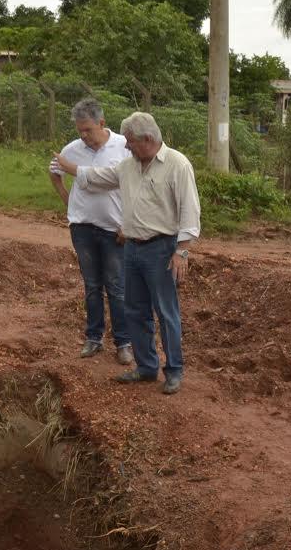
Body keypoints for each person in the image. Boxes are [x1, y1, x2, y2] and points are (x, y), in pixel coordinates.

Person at [54, 111, 201, 395]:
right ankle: (147, 367)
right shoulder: (128, 166)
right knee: (135, 309)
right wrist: (70, 168)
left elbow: (190, 211)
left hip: (162, 249)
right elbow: (98, 177)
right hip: (131, 248)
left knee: (166, 312)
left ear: (147, 139)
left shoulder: (177, 165)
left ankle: (174, 371)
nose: (126, 146)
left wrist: (182, 251)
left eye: (130, 141)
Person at [49, 99, 134, 365]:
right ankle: (94, 338)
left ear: (101, 123)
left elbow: (136, 186)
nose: (84, 136)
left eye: (88, 130)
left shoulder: (123, 147)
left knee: (117, 287)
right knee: (92, 286)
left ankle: (124, 342)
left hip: (114, 228)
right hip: (82, 227)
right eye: (79, 131)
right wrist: (68, 201)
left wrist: (128, 223)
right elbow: (54, 171)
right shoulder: (72, 150)